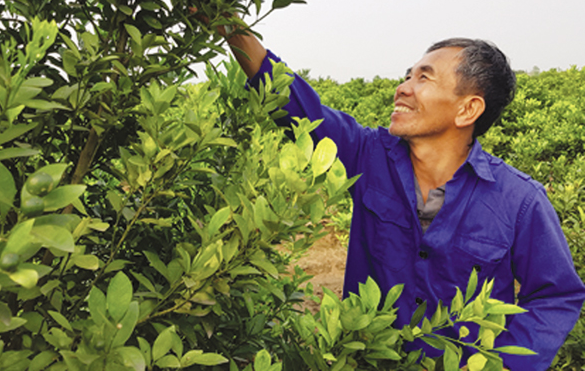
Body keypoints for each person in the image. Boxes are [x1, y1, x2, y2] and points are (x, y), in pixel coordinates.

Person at [223, 29, 585, 370]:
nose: (403, 88)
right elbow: (300, 108)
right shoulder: (368, 155)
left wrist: (507, 364)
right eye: (408, 76)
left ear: (467, 110)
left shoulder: (519, 200)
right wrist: (230, 28)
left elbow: (556, 295)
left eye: (423, 78)